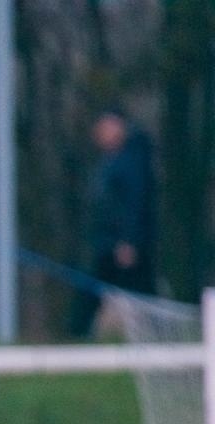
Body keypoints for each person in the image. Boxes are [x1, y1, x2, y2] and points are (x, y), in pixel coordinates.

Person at [72, 108, 158, 335]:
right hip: (109, 242)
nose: (99, 134)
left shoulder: (131, 160)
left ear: (118, 127)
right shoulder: (113, 160)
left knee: (134, 293)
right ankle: (76, 336)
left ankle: (76, 336)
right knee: (106, 291)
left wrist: (129, 241)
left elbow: (135, 202)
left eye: (105, 128)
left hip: (121, 245)